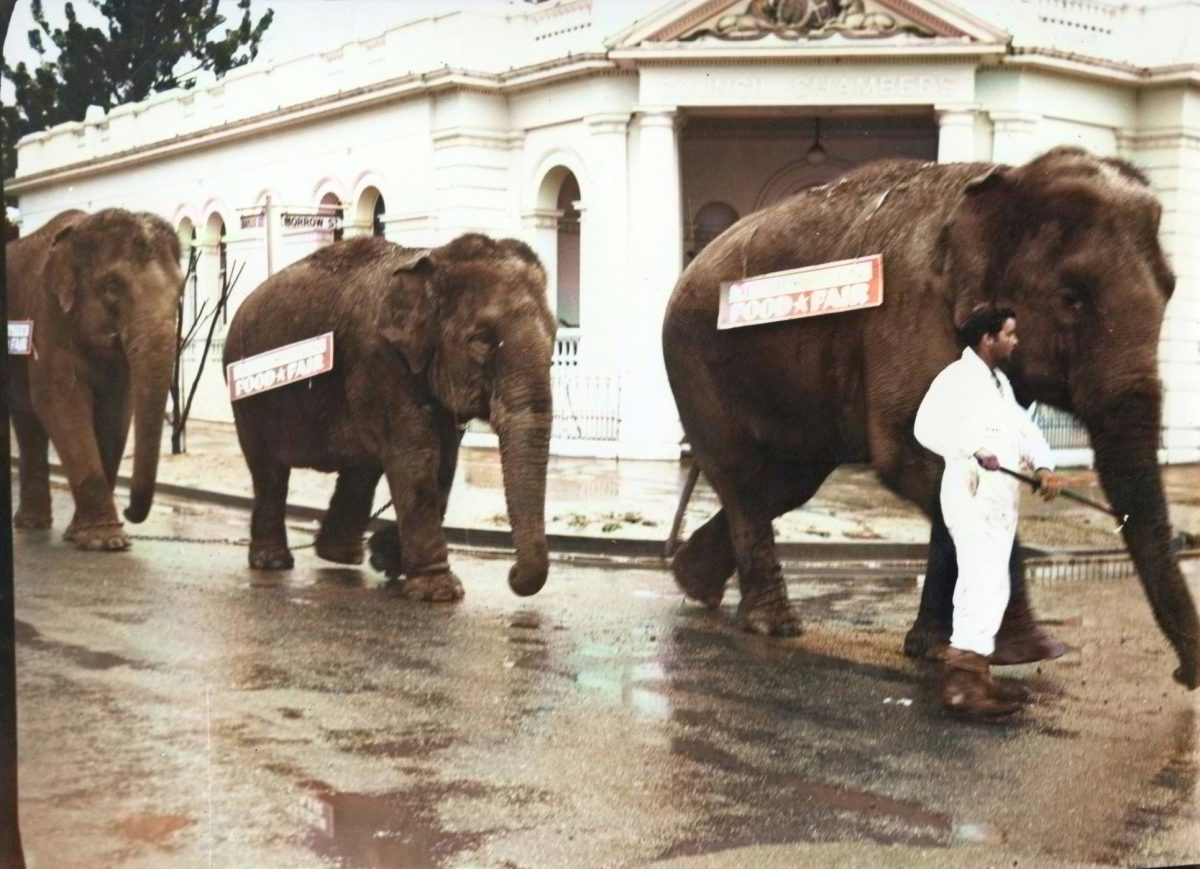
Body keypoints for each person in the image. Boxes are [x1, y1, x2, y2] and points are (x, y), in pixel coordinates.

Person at [914, 305, 1063, 719]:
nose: (1015, 341)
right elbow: (925, 426)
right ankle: (963, 686)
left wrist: (1045, 467)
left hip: (1002, 500)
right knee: (980, 582)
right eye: (1009, 334)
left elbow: (1023, 431)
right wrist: (974, 449)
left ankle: (974, 676)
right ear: (987, 338)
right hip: (971, 492)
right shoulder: (956, 379)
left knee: (991, 585)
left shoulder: (999, 384)